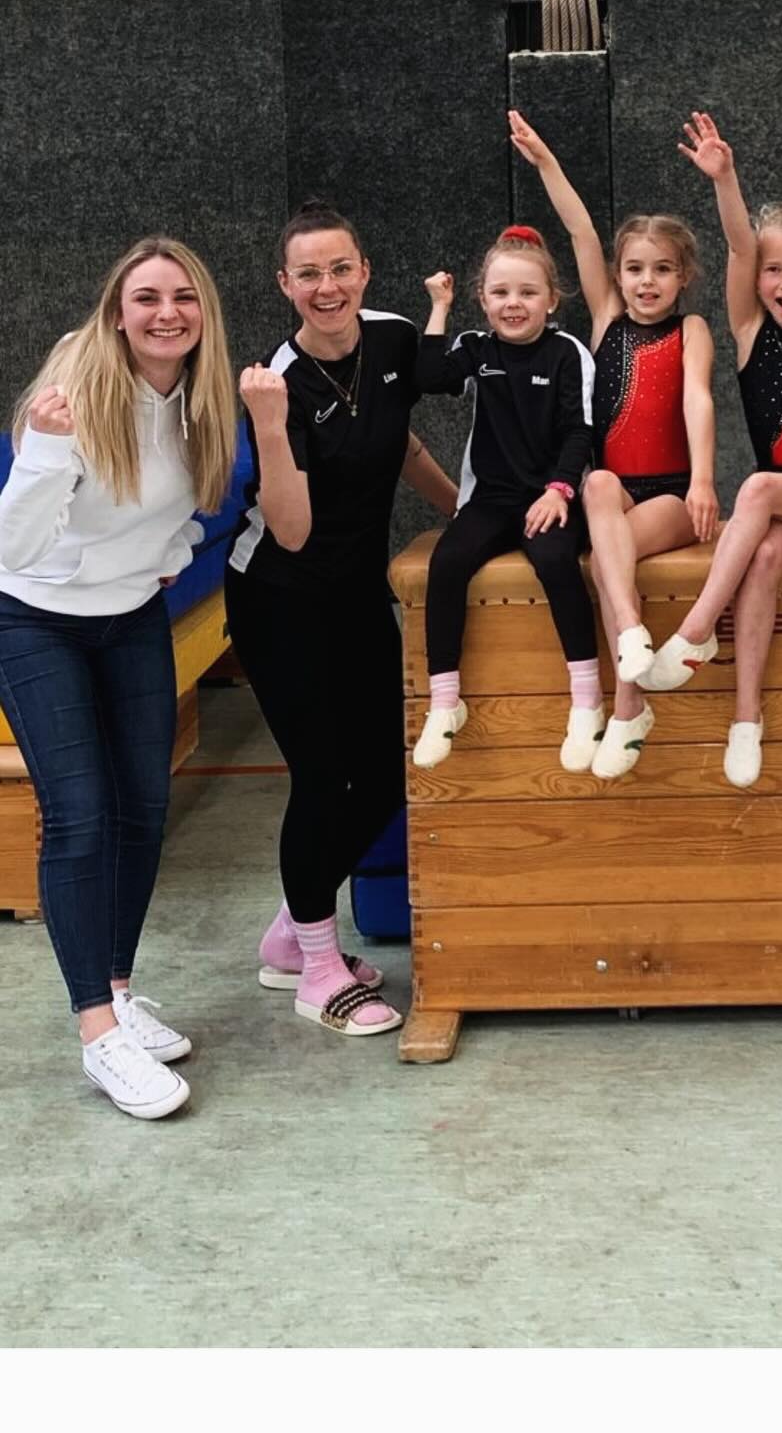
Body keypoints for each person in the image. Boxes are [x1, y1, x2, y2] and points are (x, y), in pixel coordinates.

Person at [0, 237, 235, 1118]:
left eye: (183, 296)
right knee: (80, 812)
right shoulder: (76, 390)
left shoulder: (198, 398)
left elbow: (193, 509)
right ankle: (97, 1030)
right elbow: (12, 546)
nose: (167, 313)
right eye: (147, 298)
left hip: (130, 615)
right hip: (34, 617)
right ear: (118, 311)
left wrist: (171, 548)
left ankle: (120, 989)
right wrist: (46, 451)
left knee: (143, 805)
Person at [226, 202, 457, 1039]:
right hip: (279, 598)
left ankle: (295, 929)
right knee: (323, 777)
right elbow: (289, 530)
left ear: (364, 270)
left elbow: (403, 444)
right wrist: (269, 425)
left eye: (340, 269)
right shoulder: (276, 383)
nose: (327, 287)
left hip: (357, 591)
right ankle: (318, 969)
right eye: (308, 275)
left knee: (388, 773)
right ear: (284, 284)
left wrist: (465, 512)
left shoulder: (392, 340)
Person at [642, 96, 782, 788]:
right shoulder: (747, 332)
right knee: (764, 557)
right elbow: (741, 245)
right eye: (775, 270)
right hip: (778, 512)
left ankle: (696, 629)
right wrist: (724, 178)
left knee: (759, 487)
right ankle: (746, 718)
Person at [507, 111, 718, 778]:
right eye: (634, 269)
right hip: (616, 490)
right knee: (596, 483)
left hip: (673, 495)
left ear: (683, 277)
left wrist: (704, 480)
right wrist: (546, 162)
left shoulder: (691, 330)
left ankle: (628, 701)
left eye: (662, 269)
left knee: (605, 556)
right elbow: (579, 230)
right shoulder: (606, 318)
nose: (646, 281)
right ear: (618, 276)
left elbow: (697, 399)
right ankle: (630, 638)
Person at [411, 228, 600, 775]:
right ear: (483, 299)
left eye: (527, 292)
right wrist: (439, 307)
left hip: (551, 496)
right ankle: (445, 701)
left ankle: (586, 700)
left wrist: (560, 490)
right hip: (491, 499)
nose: (513, 303)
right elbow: (429, 377)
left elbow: (580, 431)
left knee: (556, 562)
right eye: (500, 293)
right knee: (447, 562)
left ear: (551, 300)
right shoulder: (478, 348)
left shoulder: (567, 353)